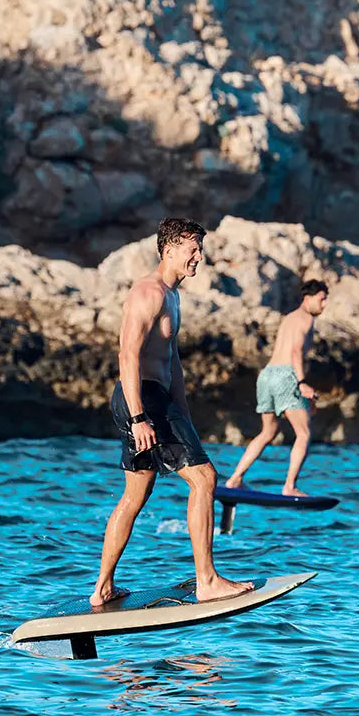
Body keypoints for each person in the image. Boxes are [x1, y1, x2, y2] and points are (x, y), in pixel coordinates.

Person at [91, 217, 255, 607]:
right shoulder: (149, 293)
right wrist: (138, 417)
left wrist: (182, 410)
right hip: (142, 401)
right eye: (191, 249)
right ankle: (207, 580)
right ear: (168, 249)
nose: (199, 257)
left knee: (136, 493)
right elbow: (127, 355)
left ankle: (102, 589)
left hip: (154, 400)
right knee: (204, 479)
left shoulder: (173, 295)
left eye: (200, 248)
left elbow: (171, 360)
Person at [224, 279, 329, 496]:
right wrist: (301, 383)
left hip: (267, 375)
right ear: (307, 299)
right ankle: (289, 486)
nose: (324, 304)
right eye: (321, 299)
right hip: (285, 376)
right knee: (304, 433)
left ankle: (234, 479)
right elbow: (295, 352)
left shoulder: (290, 318)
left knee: (268, 431)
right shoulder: (306, 320)